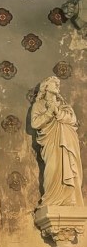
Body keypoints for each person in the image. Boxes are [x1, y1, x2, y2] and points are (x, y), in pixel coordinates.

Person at [31, 77, 84, 206]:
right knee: (53, 168)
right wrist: (49, 112)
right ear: (46, 87)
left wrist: (57, 111)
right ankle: (51, 199)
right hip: (51, 142)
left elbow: (72, 120)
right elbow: (35, 123)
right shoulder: (38, 105)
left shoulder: (64, 105)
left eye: (58, 84)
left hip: (67, 142)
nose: (57, 85)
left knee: (69, 169)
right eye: (54, 83)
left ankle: (69, 198)